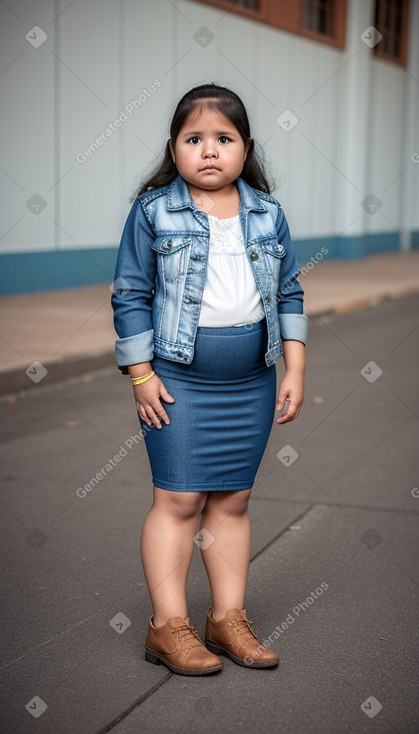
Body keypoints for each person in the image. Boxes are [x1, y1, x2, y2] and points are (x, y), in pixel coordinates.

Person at [111, 83, 309, 676]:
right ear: (173, 149)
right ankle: (167, 626)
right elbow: (131, 293)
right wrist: (140, 373)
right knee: (177, 498)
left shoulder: (267, 213)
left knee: (234, 498)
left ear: (246, 148)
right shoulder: (152, 212)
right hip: (177, 380)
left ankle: (226, 619)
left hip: (250, 381)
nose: (209, 151)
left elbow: (292, 290)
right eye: (194, 139)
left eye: (223, 139)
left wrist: (294, 366)